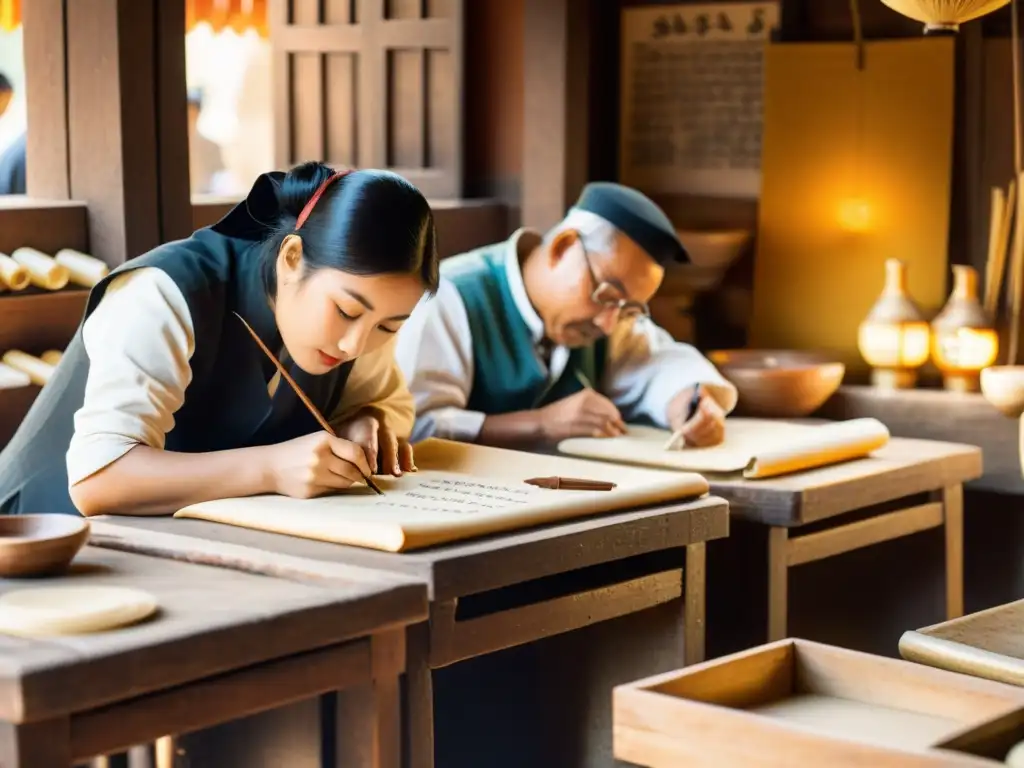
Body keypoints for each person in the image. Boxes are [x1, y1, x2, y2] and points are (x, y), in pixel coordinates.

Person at [0, 161, 439, 517]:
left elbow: (386, 402)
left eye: (389, 327)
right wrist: (269, 469)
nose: (353, 346)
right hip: (41, 542)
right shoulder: (164, 293)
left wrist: (365, 422)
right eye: (346, 311)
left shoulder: (356, 323)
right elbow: (99, 479)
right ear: (291, 257)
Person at [395, 181, 737, 450]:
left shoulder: (611, 316)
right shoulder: (452, 296)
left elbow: (662, 365)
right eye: (606, 295)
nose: (608, 324)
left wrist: (689, 403)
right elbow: (415, 427)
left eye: (628, 309)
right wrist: (540, 424)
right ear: (562, 248)